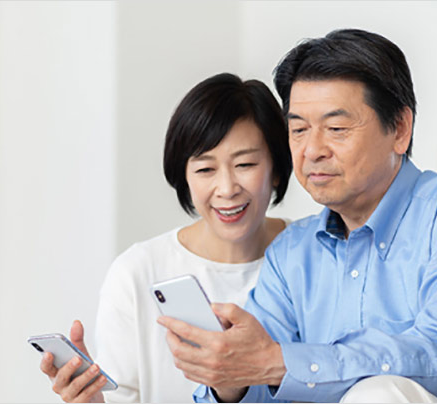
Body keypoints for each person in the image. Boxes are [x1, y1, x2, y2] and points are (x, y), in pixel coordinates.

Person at [160, 29, 437, 403]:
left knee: (379, 393)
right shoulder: (291, 254)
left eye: (336, 129)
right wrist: (231, 379)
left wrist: (278, 362)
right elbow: (267, 376)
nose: (312, 150)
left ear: (400, 129)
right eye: (298, 130)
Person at [37, 72, 292, 402]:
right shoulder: (138, 272)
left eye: (245, 164)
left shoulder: (316, 256)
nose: (227, 188)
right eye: (205, 169)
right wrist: (92, 399)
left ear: (276, 168)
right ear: (184, 177)